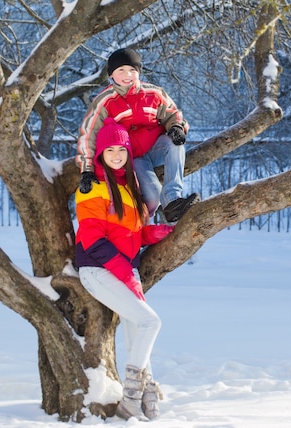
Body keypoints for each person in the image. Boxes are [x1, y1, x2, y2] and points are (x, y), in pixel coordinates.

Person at [75, 117, 173, 421]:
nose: (116, 155)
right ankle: (132, 396)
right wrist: (124, 273)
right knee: (149, 323)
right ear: (100, 153)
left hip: (123, 269)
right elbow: (92, 240)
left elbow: (126, 233)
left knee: (136, 330)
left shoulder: (128, 188)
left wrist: (150, 234)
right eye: (110, 150)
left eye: (122, 149)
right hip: (98, 268)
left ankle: (145, 399)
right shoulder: (92, 187)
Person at [76, 48, 199, 223]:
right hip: (131, 158)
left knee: (175, 143)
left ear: (138, 72)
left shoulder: (154, 93)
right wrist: (87, 170)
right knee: (152, 196)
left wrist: (176, 127)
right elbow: (89, 135)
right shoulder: (104, 101)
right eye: (121, 70)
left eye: (132, 70)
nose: (127, 75)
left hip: (156, 148)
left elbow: (173, 114)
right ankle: (140, 225)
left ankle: (173, 201)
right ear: (112, 75)